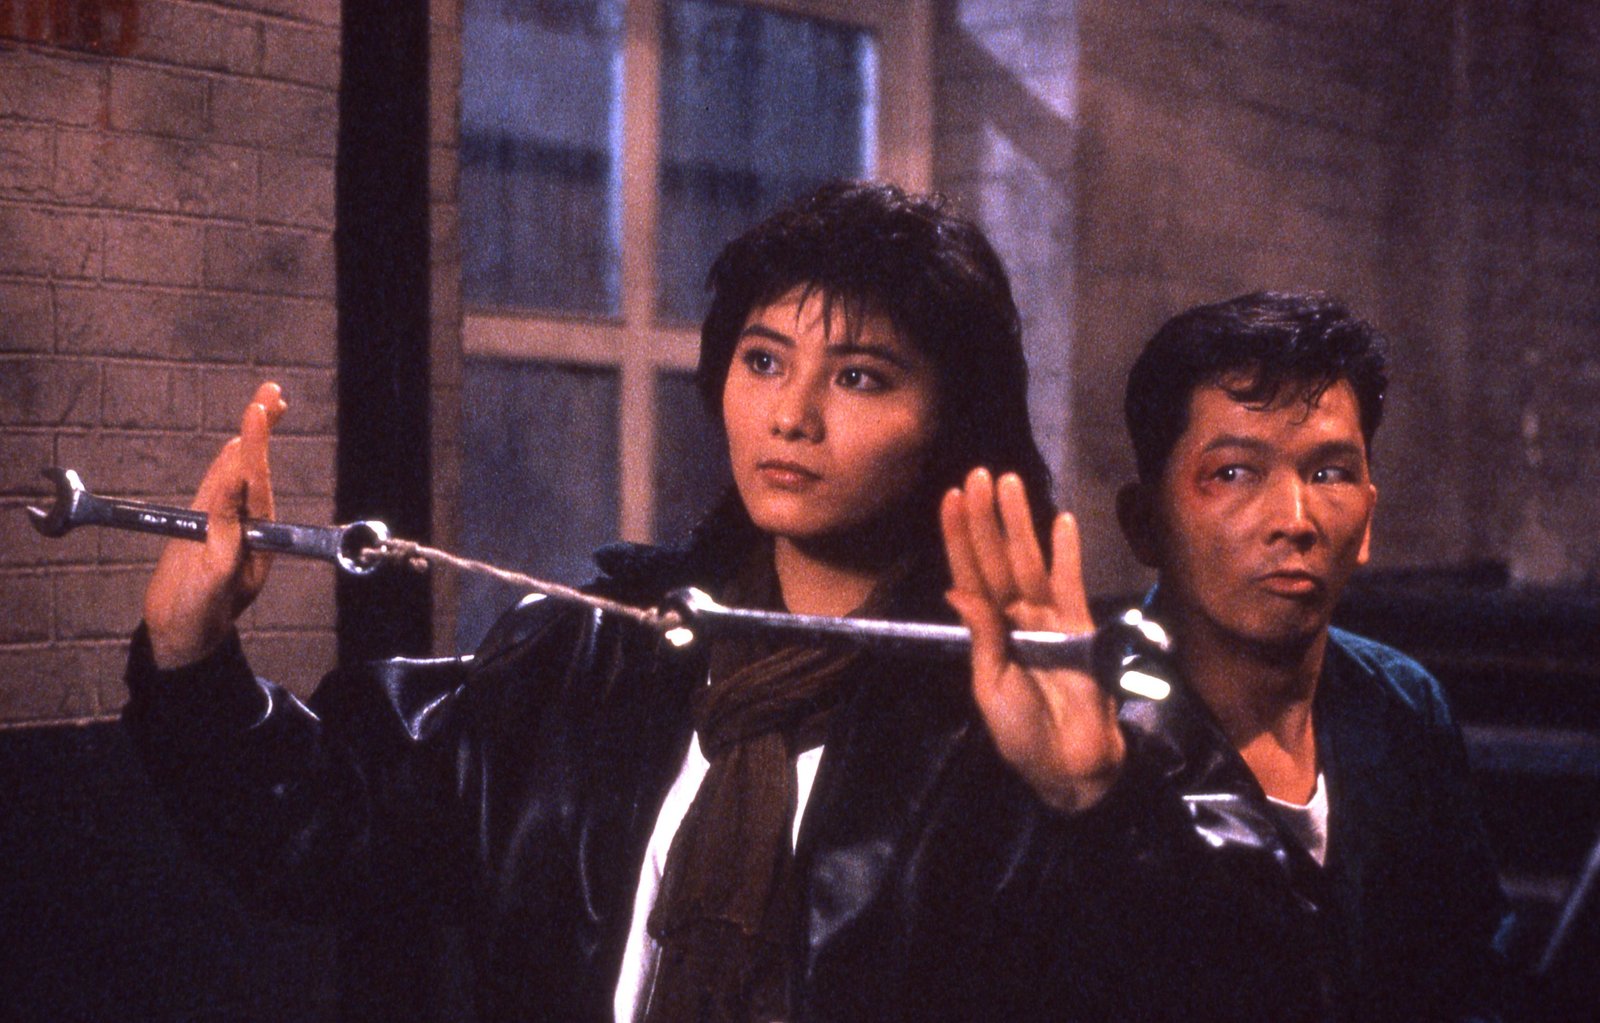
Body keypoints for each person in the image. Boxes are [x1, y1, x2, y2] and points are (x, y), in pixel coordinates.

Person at [125, 183, 1311, 1023]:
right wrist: (191, 655)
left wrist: (1100, 802)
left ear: (953, 419)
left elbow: (1266, 987)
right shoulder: (590, 651)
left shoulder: (1071, 697)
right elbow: (325, 838)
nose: (791, 414)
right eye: (763, 359)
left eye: (860, 376)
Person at [945, 291, 1516, 1022]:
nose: (1294, 520)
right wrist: (1097, 800)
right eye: (1235, 473)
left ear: (1369, 519)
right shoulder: (1071, 728)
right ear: (1144, 522)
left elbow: (1474, 975)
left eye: (1330, 473)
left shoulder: (1403, 705)